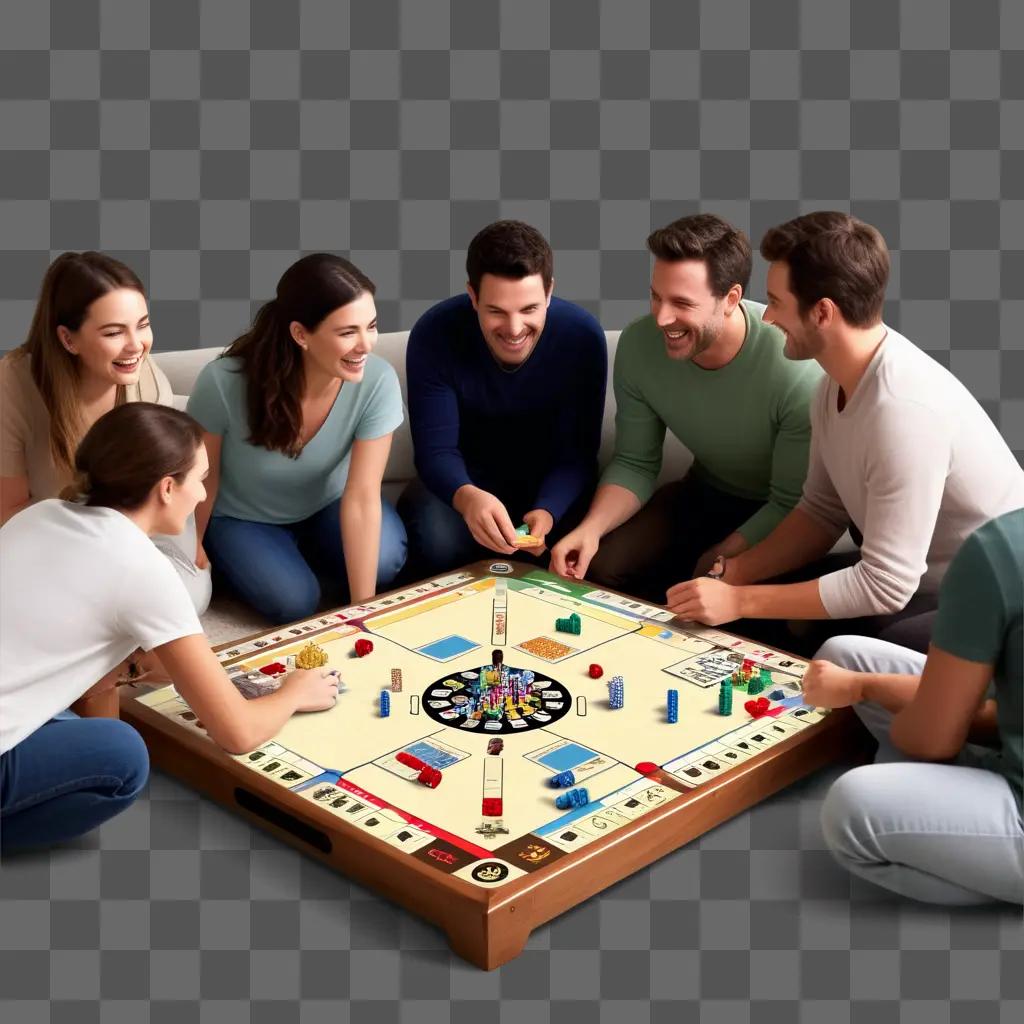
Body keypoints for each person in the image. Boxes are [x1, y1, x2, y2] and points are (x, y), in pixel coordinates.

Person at [666, 212, 1024, 653]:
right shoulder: (833, 381)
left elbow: (886, 585)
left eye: (776, 302)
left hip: (998, 598)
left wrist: (739, 600)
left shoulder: (902, 411)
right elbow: (821, 511)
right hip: (922, 581)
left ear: (822, 312)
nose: (768, 317)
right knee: (788, 610)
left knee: (845, 646)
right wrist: (733, 572)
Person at [0, 403, 339, 852]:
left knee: (65, 717)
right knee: (123, 756)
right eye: (199, 478)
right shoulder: (143, 569)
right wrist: (293, 692)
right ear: (166, 488)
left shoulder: (42, 512)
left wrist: (127, 670)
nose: (202, 494)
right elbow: (237, 733)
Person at [550, 214, 822, 603]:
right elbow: (635, 462)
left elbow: (790, 503)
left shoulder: (794, 368)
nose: (661, 318)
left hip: (780, 515)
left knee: (734, 598)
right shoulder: (639, 345)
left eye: (681, 303)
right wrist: (590, 530)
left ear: (730, 300)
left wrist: (720, 559)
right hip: (702, 493)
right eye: (656, 297)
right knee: (601, 567)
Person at [802, 508, 1023, 906]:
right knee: (843, 655)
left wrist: (865, 687)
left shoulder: (1000, 548)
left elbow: (931, 741)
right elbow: (994, 709)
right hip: (1007, 734)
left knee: (851, 806)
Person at [187, 254, 407, 625]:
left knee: (385, 563)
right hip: (244, 518)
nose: (366, 344)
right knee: (294, 603)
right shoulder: (222, 383)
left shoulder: (378, 381)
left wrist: (363, 611)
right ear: (301, 334)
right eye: (347, 332)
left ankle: (301, 558)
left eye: (371, 326)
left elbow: (363, 494)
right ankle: (258, 562)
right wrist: (191, 546)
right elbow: (200, 478)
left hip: (327, 507)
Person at [0, 250, 211, 613]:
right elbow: (10, 512)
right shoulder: (14, 385)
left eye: (143, 325)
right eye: (114, 332)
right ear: (68, 339)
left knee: (186, 599)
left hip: (136, 518)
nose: (136, 346)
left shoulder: (147, 381)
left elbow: (158, 497)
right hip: (52, 530)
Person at [398, 220, 607, 577]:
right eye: (496, 311)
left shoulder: (583, 337)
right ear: (473, 296)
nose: (514, 330)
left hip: (551, 487)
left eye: (529, 309)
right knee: (436, 538)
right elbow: (436, 451)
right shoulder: (435, 332)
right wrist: (467, 497)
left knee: (581, 551)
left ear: (550, 293)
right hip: (463, 482)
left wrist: (549, 509)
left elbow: (578, 454)